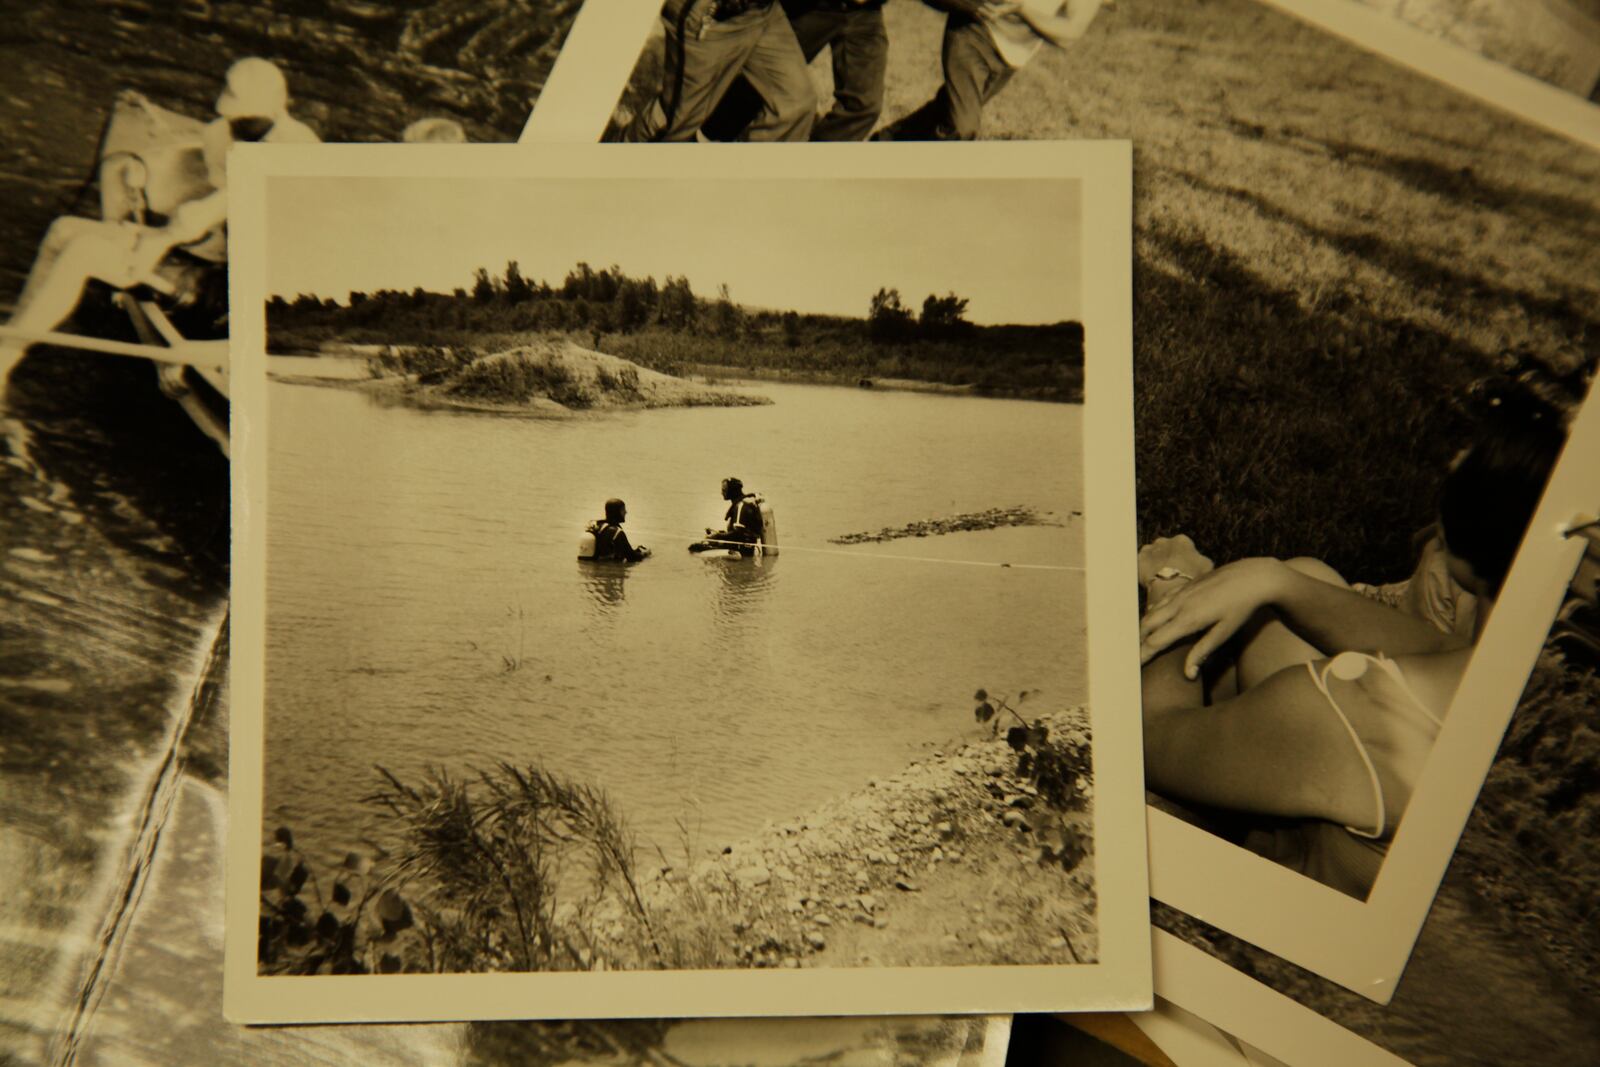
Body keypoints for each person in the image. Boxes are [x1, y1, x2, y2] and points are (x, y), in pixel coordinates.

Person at [1136, 387, 1567, 898]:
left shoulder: (1357, 712)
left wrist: (1171, 584)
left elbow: (1148, 740)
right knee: (1297, 584)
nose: (1455, 457)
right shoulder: (1523, 677)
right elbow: (1430, 649)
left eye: (1481, 458)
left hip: (1283, 923)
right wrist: (1278, 581)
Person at [0, 58, 319, 383]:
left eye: (246, 121)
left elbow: (215, 211)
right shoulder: (218, 135)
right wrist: (154, 234)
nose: (235, 126)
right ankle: (11, 344)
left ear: (274, 112)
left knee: (85, 251)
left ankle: (6, 360)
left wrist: (158, 242)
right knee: (62, 230)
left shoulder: (296, 152)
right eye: (232, 118)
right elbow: (214, 217)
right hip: (213, 260)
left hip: (238, 295)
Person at [876, 0, 1105, 142]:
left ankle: (885, 144)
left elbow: (1069, 34)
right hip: (974, 30)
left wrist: (1023, 9)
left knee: (948, 112)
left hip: (1012, 54)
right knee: (962, 127)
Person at [621, 0, 816, 143]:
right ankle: (617, 171)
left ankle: (744, 185)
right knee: (677, 122)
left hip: (763, 11)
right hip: (712, 15)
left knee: (795, 104)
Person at [701, 0, 889, 143]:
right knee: (766, 84)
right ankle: (711, 135)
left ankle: (813, 168)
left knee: (864, 105)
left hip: (866, 13)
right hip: (813, 7)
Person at [691, 476, 766, 553]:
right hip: (740, 547)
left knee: (694, 548)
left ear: (732, 491)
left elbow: (738, 533)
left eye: (724, 490)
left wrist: (717, 536)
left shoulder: (741, 506)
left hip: (741, 550)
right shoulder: (742, 504)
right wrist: (718, 533)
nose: (721, 493)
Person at [583, 499, 651, 563]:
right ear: (617, 512)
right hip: (608, 572)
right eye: (623, 510)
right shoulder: (617, 532)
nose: (625, 512)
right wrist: (646, 554)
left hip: (594, 568)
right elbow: (632, 557)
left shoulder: (596, 526)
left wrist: (636, 550)